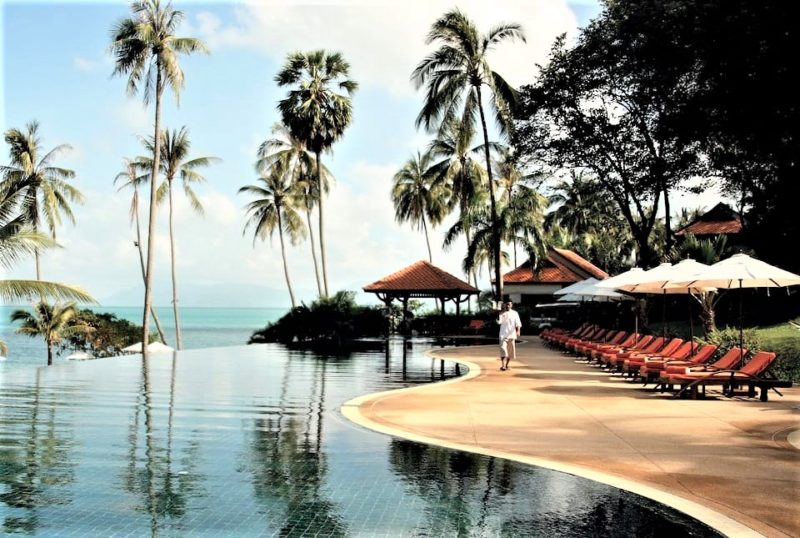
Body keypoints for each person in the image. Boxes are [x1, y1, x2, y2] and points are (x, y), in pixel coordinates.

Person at [497, 300, 522, 371]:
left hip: (511, 335)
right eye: (506, 304)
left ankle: (506, 365)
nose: (508, 306)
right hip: (502, 335)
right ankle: (503, 365)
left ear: (511, 305)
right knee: (503, 350)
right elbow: (499, 322)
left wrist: (518, 331)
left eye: (509, 304)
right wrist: (498, 315)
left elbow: (518, 323)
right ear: (505, 305)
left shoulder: (515, 313)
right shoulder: (502, 313)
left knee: (510, 353)